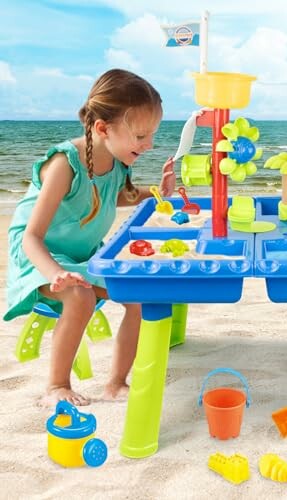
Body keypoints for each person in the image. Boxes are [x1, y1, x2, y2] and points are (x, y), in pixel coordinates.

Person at [4, 69, 176, 407]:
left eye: (152, 135)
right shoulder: (64, 164)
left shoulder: (116, 157)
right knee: (80, 297)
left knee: (137, 295)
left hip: (83, 256)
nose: (150, 145)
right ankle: (55, 386)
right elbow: (31, 237)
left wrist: (156, 193)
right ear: (102, 128)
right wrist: (56, 274)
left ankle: (116, 383)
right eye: (141, 136)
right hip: (40, 256)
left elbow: (114, 194)